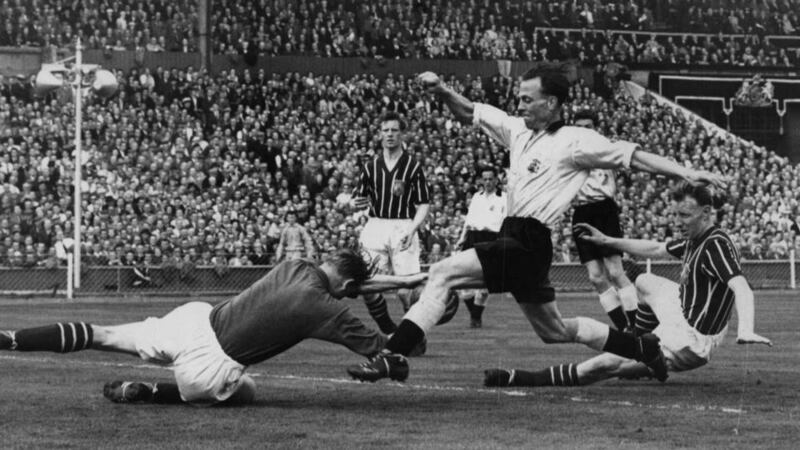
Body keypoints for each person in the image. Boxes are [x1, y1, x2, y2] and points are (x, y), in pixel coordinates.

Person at [346, 66, 725, 384]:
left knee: (443, 273)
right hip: (516, 238)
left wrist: (687, 171)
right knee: (556, 332)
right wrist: (444, 90)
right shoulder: (517, 129)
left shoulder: (578, 141)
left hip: (529, 240)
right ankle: (641, 347)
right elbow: (470, 112)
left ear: (552, 103)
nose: (519, 103)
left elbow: (637, 158)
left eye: (527, 98)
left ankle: (393, 354)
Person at [0, 249, 427, 406]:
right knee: (248, 390)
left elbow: (346, 282)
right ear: (350, 289)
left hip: (190, 322)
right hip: (211, 368)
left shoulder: (294, 264)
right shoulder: (328, 312)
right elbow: (391, 353)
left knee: (100, 334)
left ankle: (14, 339)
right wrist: (412, 297)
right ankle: (154, 393)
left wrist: (395, 280)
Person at [484, 183, 772, 388]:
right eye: (677, 214)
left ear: (707, 212)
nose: (679, 221)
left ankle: (524, 378)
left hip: (692, 340)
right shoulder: (696, 239)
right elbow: (656, 248)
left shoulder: (715, 245)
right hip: (681, 310)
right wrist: (609, 242)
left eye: (685, 215)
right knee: (645, 281)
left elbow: (742, 287)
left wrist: (746, 328)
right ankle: (642, 346)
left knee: (605, 365)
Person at [349, 112, 431, 335]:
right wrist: (355, 203)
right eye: (386, 130)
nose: (390, 134)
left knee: (408, 291)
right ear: (379, 134)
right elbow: (358, 198)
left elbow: (424, 203)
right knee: (367, 284)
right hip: (375, 226)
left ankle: (413, 336)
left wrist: (413, 229)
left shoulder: (412, 166)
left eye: (394, 130)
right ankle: (388, 329)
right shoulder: (370, 167)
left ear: (402, 134)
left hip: (403, 226)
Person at [570, 109, 638, 332]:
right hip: (581, 212)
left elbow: (631, 159)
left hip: (604, 209)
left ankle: (638, 326)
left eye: (588, 127)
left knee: (616, 272)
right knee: (596, 277)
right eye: (579, 127)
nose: (584, 131)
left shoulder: (608, 147)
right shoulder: (567, 152)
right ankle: (623, 329)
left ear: (595, 129)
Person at [454, 165, 506, 328]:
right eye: (485, 179)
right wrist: (462, 238)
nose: (488, 182)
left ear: (497, 180)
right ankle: (475, 316)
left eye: (491, 179)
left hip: (492, 239)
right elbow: (469, 220)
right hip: (472, 238)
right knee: (464, 287)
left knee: (485, 286)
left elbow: (506, 221)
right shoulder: (477, 196)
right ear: (481, 181)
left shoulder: (504, 198)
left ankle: (475, 318)